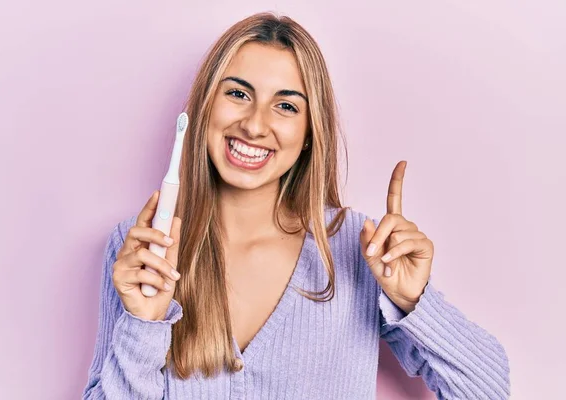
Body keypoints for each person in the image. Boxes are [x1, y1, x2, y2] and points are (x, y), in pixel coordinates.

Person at [82, 12, 510, 400]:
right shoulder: (140, 251)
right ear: (203, 106)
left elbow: (489, 392)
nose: (254, 124)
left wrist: (415, 301)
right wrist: (143, 325)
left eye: (285, 105)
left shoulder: (363, 250)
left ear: (309, 131)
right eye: (238, 94)